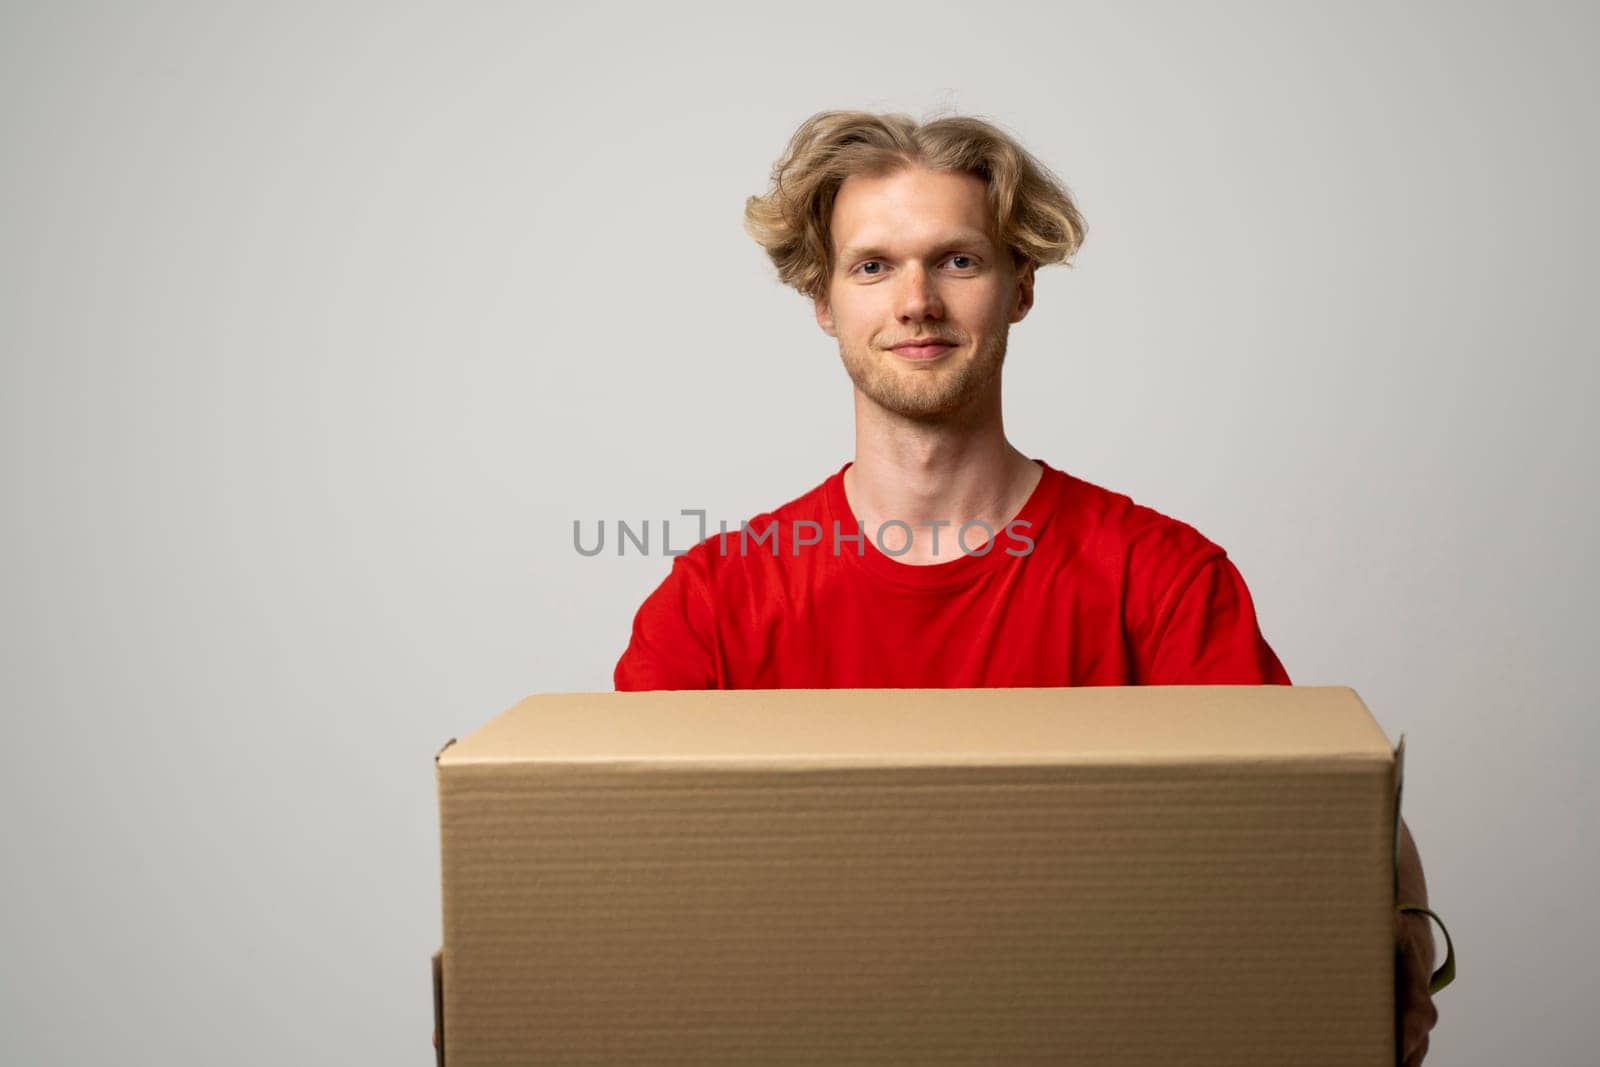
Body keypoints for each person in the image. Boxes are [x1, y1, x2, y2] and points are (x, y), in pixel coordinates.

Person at [610, 109, 1438, 1064]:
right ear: (823, 301)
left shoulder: (1160, 577)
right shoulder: (714, 597)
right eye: (872, 266)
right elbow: (634, 865)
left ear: (1020, 289)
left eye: (957, 261)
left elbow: (1313, 805)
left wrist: (1400, 919)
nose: (915, 301)